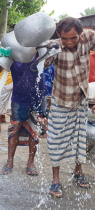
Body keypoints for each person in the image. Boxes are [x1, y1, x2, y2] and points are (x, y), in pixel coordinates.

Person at [46, 17, 95, 198]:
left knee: (79, 137)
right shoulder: (53, 46)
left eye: (73, 38)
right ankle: (56, 180)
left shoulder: (89, 38)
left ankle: (78, 172)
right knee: (56, 139)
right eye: (64, 38)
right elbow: (44, 64)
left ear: (80, 33)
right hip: (61, 100)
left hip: (81, 99)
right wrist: (44, 55)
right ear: (59, 35)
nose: (68, 42)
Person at [0, 53, 47, 177]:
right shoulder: (13, 52)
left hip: (37, 97)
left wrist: (46, 55)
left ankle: (30, 163)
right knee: (14, 129)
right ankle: (9, 161)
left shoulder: (39, 48)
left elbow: (50, 57)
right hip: (19, 97)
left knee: (35, 129)